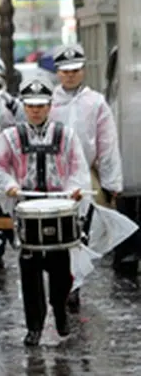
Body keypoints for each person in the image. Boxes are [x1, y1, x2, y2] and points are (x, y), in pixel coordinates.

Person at [0, 77, 92, 346]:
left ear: (49, 106)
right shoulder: (11, 137)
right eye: (31, 106)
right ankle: (33, 325)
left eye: (41, 105)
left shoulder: (65, 134)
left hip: (57, 209)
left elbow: (78, 168)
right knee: (29, 269)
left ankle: (60, 312)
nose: (36, 110)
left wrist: (74, 190)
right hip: (27, 211)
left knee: (60, 269)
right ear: (24, 106)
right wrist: (9, 185)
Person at [48, 44, 127, 276]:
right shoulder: (47, 101)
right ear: (58, 72)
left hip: (86, 173)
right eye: (65, 71)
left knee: (85, 226)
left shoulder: (96, 102)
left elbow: (107, 144)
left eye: (74, 70)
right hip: (53, 173)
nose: (70, 75)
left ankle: (76, 276)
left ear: (82, 70)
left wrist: (111, 183)